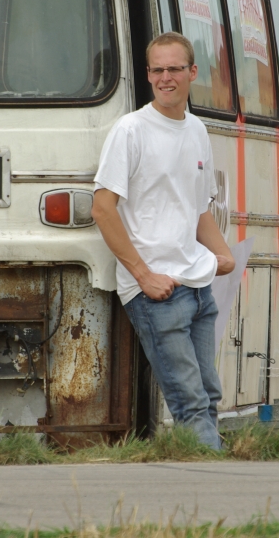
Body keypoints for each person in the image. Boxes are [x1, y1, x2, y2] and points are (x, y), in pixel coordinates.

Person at [92, 32, 235, 449]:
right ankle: (222, 484)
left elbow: (198, 209)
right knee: (189, 403)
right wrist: (144, 275)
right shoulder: (131, 130)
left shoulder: (197, 131)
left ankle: (207, 488)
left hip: (197, 285)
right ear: (149, 74)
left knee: (208, 397)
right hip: (155, 289)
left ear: (193, 73)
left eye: (175, 69)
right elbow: (103, 209)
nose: (165, 78)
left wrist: (222, 253)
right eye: (157, 70)